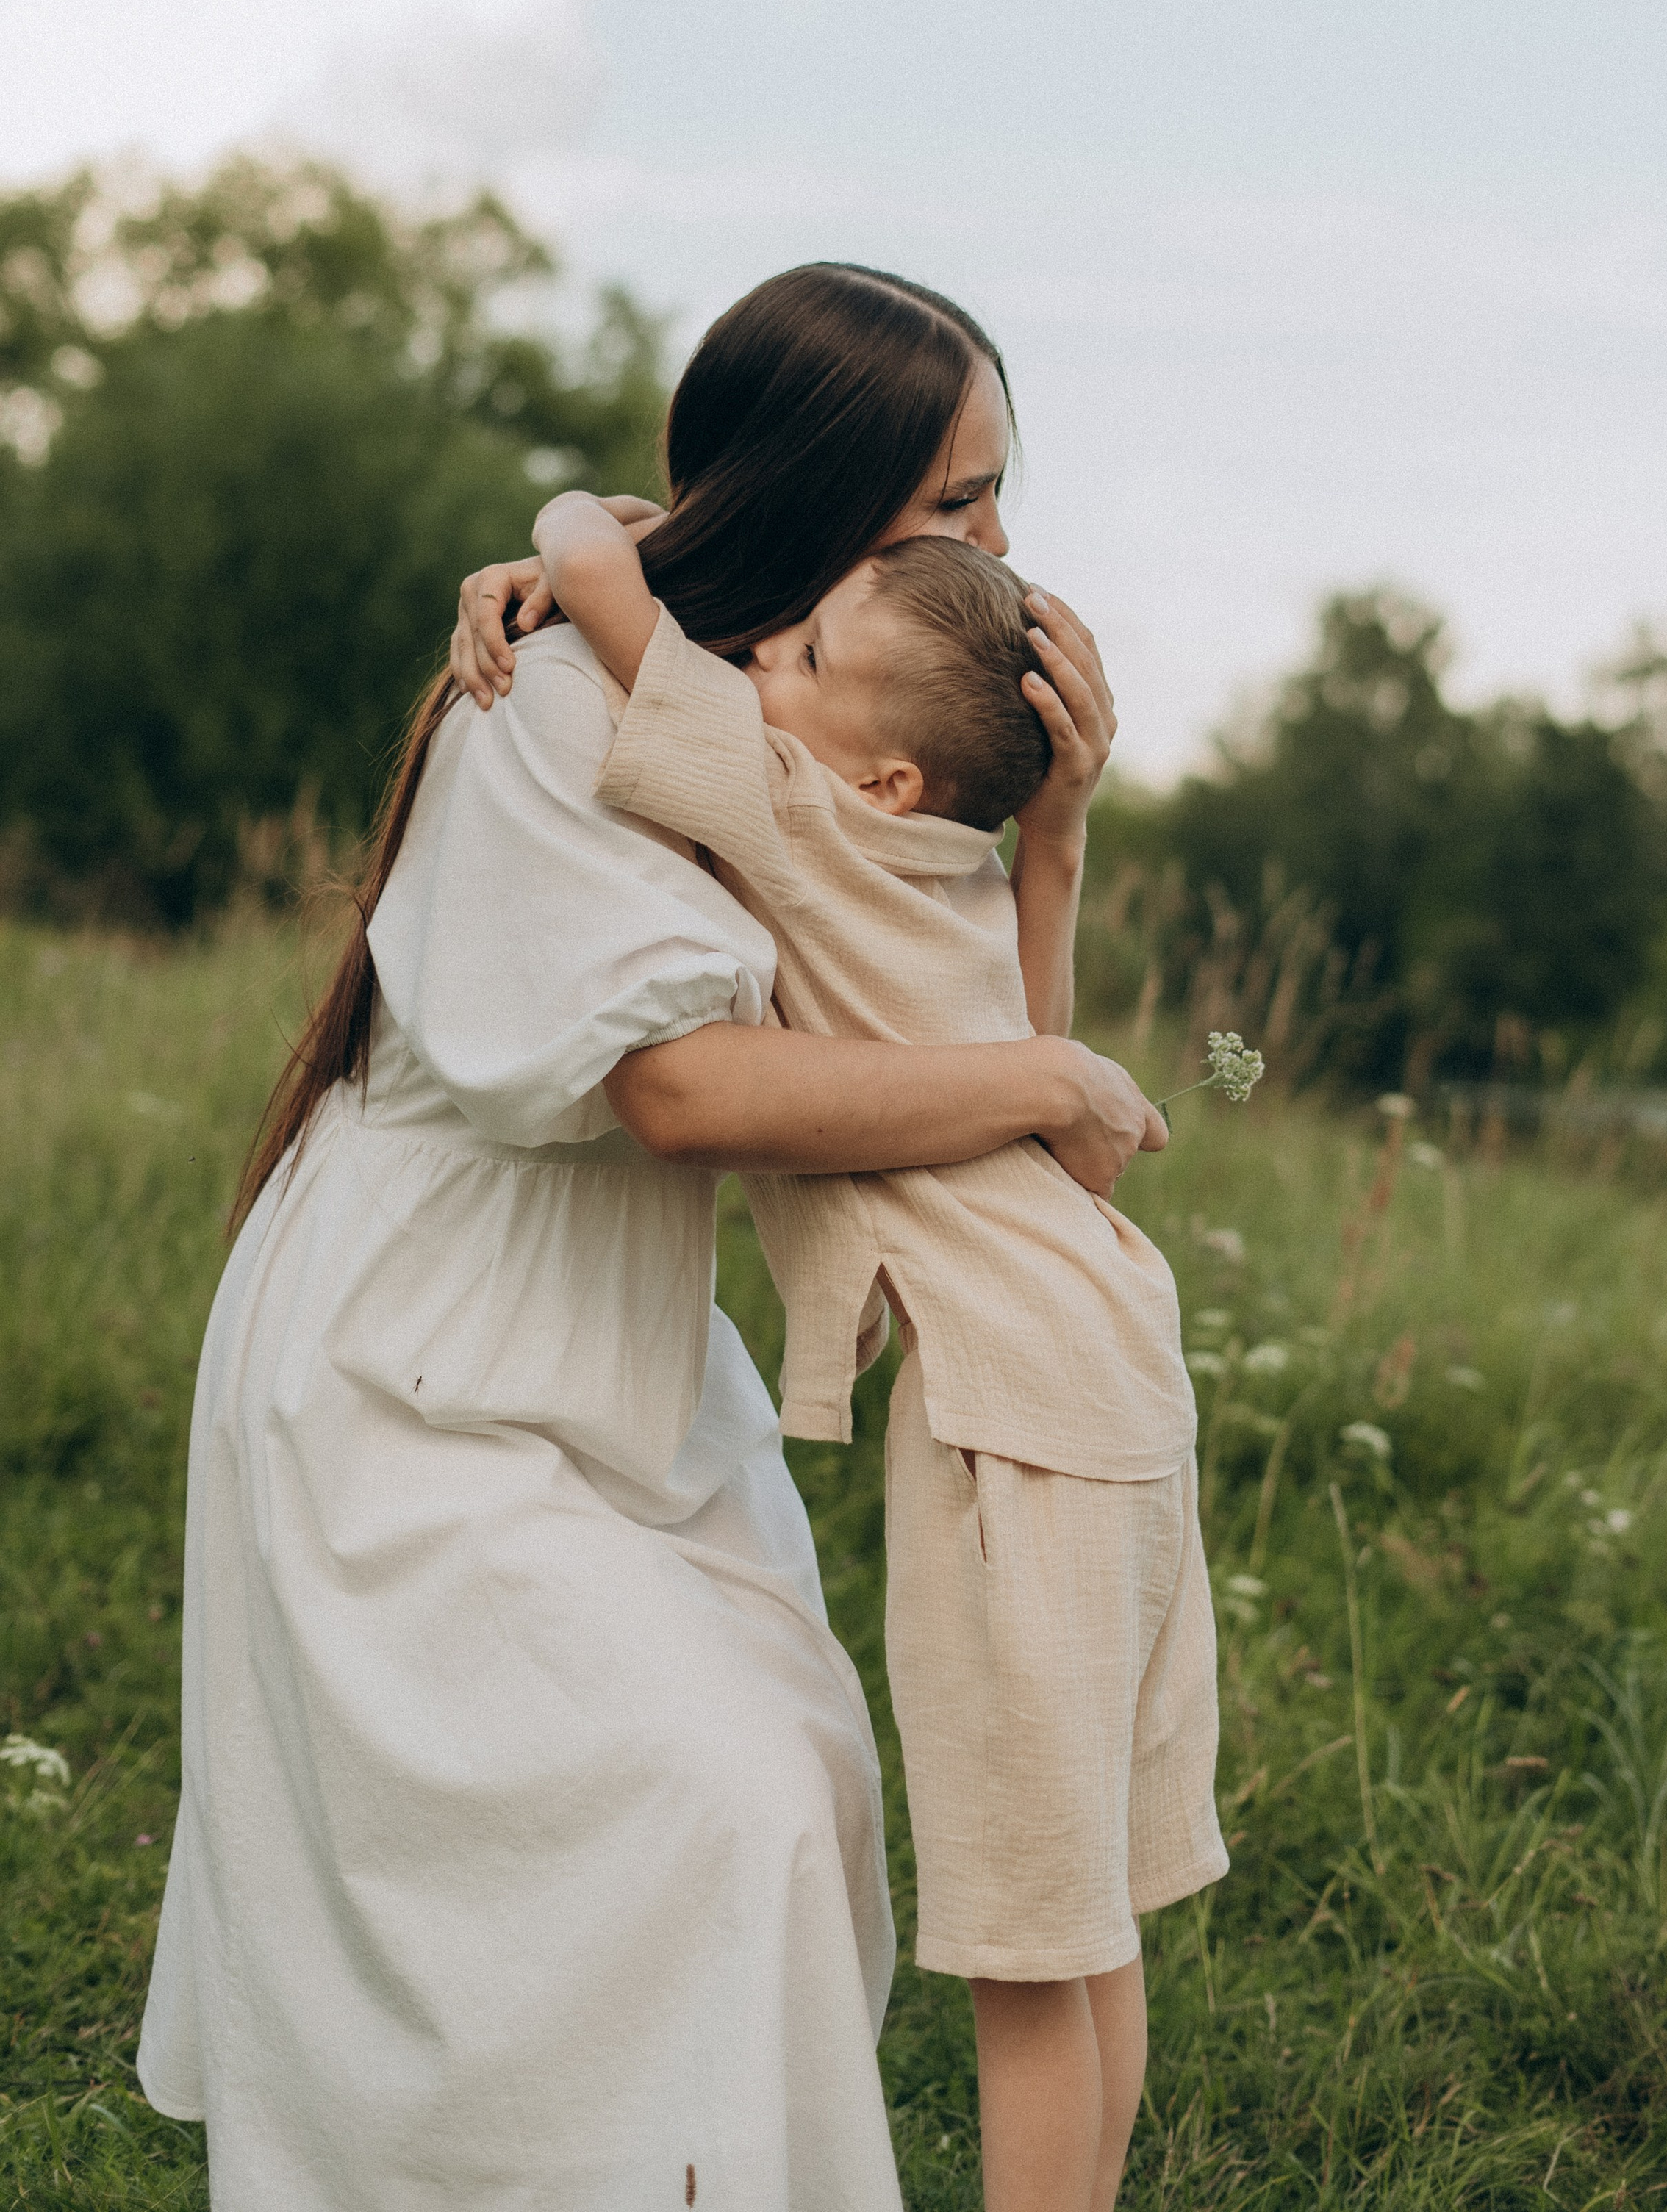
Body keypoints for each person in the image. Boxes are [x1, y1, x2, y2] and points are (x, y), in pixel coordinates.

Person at [137, 264, 1167, 2212]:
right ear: (820, 494)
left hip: (627, 1361)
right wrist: (1052, 1081)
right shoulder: (559, 703)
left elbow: (966, 1066)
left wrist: (1050, 840)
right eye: (956, 498)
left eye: (996, 495)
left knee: (800, 1792)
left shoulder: (813, 734)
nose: (998, 548)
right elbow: (680, 1093)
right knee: (705, 1806)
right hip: (422, 1358)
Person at [516, 493, 1227, 2212]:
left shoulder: (791, 805)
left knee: (1025, 1943)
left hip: (1013, 1410)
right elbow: (1041, 1071)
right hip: (1110, 1359)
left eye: (806, 646)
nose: (761, 648)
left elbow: (587, 560)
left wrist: (636, 527)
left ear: (886, 776)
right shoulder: (953, 862)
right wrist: (1057, 831)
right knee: (1091, 1911)